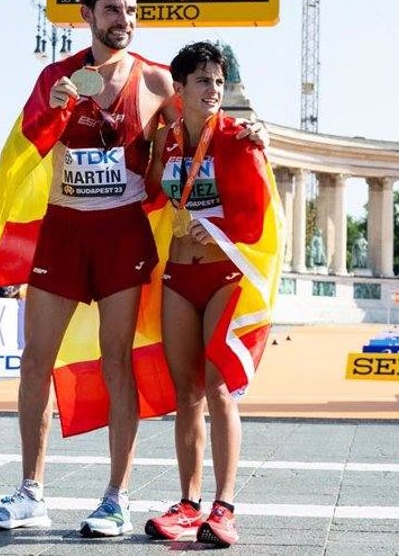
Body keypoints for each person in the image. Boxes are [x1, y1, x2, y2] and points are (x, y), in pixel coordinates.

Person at [0, 0, 266, 538]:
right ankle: (31, 491)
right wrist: (51, 110)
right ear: (87, 15)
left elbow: (205, 128)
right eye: (110, 10)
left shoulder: (155, 83)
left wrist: (255, 134)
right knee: (35, 360)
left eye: (129, 10)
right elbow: (22, 154)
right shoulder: (56, 75)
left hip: (122, 235)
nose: (122, 20)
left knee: (116, 362)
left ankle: (116, 497)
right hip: (63, 232)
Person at [143, 42, 282, 547]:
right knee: (187, 395)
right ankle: (188, 501)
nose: (213, 89)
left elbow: (256, 215)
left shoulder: (238, 139)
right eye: (203, 81)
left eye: (219, 82)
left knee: (220, 390)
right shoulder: (171, 140)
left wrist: (215, 227)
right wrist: (154, 149)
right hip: (178, 277)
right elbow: (155, 194)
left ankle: (224, 507)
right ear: (179, 89)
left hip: (224, 279)